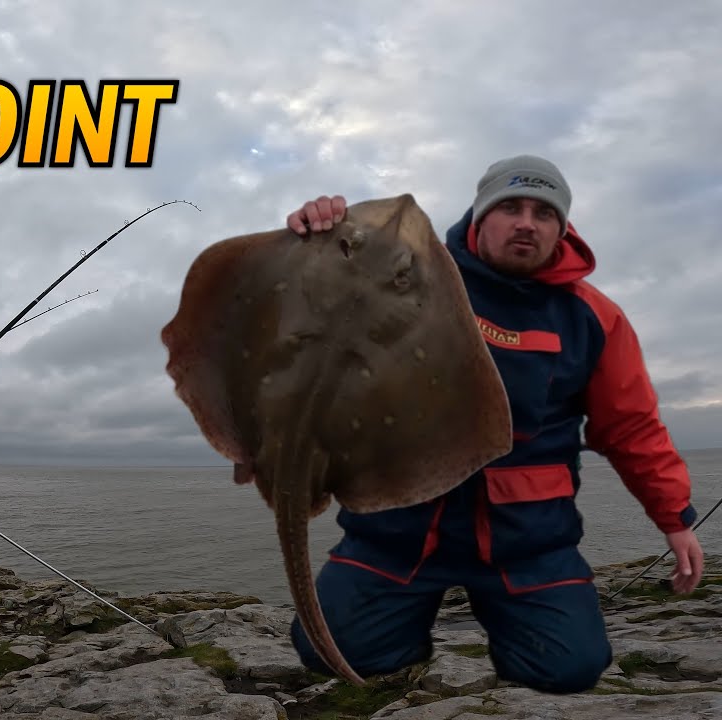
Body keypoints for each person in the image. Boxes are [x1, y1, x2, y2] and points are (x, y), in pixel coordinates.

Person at [283, 155, 704, 693]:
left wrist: (673, 517)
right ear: (481, 216)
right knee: (328, 650)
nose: (526, 222)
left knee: (570, 668)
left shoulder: (594, 317)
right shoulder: (404, 275)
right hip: (399, 529)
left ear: (562, 228)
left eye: (543, 212)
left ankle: (510, 624)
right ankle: (407, 633)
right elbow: (312, 311)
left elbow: (633, 428)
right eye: (510, 207)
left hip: (525, 540)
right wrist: (317, 241)